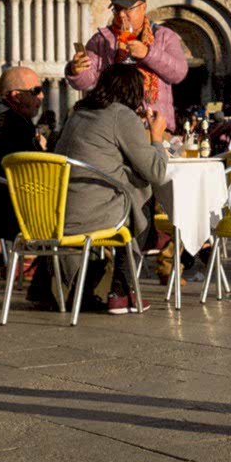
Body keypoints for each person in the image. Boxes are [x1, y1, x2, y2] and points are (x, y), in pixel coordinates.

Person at [35, 64, 169, 315]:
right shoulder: (121, 115)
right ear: (133, 91)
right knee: (141, 201)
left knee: (131, 189)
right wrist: (157, 137)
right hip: (92, 214)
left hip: (57, 211)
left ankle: (103, 288)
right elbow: (156, 172)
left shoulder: (79, 112)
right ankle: (120, 291)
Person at [67, 0, 188, 131]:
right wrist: (77, 70)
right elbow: (87, 82)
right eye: (117, 9)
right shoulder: (102, 39)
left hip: (154, 126)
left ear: (143, 7)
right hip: (114, 127)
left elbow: (179, 73)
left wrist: (147, 54)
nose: (122, 15)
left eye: (127, 9)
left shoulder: (163, 36)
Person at [0, 67, 47, 253]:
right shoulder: (13, 123)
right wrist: (42, 148)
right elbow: (37, 169)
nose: (42, 96)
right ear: (16, 96)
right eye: (35, 91)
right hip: (3, 212)